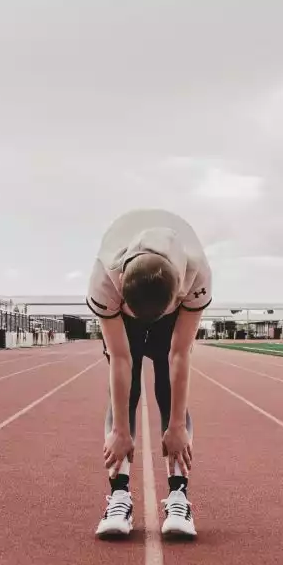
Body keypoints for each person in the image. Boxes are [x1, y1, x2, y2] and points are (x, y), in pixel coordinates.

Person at [87, 209, 212, 539]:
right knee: (124, 398)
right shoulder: (104, 280)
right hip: (124, 314)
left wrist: (175, 427)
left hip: (171, 310)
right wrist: (121, 431)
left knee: (169, 394)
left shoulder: (197, 275)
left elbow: (180, 354)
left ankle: (178, 495)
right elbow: (120, 357)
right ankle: (119, 495)